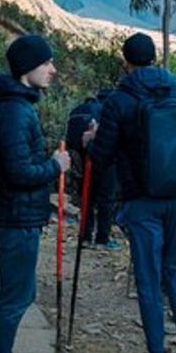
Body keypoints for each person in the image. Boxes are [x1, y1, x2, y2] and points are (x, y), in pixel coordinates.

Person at [85, 33, 176, 353]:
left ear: (125, 61)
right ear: (155, 58)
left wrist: (91, 141)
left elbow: (102, 158)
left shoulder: (120, 99)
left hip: (142, 199)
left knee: (147, 279)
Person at [0, 34, 71, 353]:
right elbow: (18, 171)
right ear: (27, 67)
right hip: (14, 218)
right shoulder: (16, 111)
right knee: (16, 298)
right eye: (46, 62)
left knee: (16, 296)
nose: (53, 69)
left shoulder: (15, 106)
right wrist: (55, 165)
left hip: (14, 215)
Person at [65, 89, 121, 251]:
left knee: (88, 198)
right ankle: (102, 239)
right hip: (105, 158)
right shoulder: (109, 109)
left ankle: (85, 237)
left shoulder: (80, 110)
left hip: (83, 157)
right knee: (106, 198)